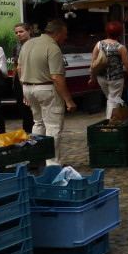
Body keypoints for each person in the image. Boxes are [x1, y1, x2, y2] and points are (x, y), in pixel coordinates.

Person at [18, 19, 76, 166]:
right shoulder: (53, 48)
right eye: (65, 34)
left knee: (38, 122)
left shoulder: (28, 43)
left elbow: (19, 69)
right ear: (57, 33)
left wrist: (25, 89)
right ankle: (53, 164)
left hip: (28, 87)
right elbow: (56, 77)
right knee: (53, 126)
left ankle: (37, 159)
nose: (66, 37)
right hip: (46, 89)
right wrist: (68, 100)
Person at [88, 21, 128, 119]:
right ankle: (109, 123)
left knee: (111, 99)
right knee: (113, 100)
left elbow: (93, 63)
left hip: (101, 77)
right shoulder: (121, 47)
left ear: (107, 32)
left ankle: (114, 120)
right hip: (116, 79)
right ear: (120, 33)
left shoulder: (99, 44)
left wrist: (92, 78)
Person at [11, 23, 34, 133]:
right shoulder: (17, 47)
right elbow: (16, 66)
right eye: (16, 32)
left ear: (29, 31)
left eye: (21, 31)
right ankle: (27, 133)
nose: (18, 34)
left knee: (34, 109)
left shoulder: (36, 44)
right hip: (19, 81)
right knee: (24, 111)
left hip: (32, 78)